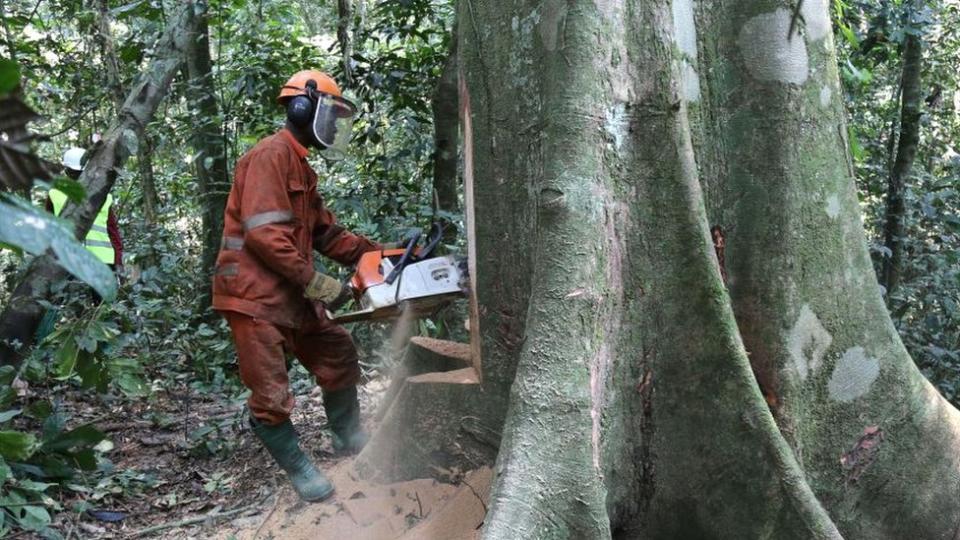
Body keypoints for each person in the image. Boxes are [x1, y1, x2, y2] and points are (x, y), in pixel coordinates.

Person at [212, 70, 391, 502]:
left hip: (292, 294)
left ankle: (347, 436)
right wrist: (320, 285)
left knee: (337, 351)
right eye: (329, 115)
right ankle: (299, 469)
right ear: (303, 108)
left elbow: (327, 235)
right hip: (254, 297)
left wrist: (382, 254)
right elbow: (265, 236)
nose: (333, 127)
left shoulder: (300, 167)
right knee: (271, 393)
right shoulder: (270, 157)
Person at [48, 147, 124, 271]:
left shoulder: (103, 196)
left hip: (97, 262)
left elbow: (112, 231)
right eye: (74, 172)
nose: (77, 176)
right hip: (74, 262)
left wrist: (118, 261)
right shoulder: (55, 194)